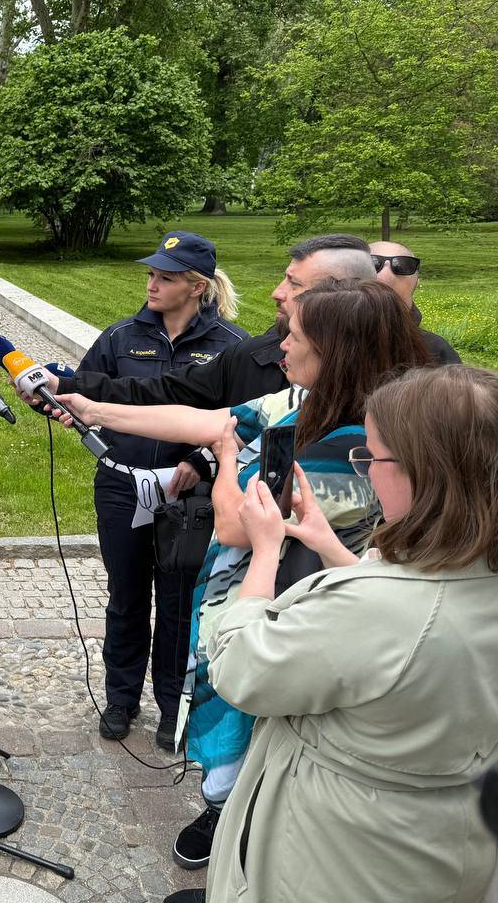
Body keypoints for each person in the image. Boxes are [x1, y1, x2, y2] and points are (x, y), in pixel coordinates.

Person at [52, 280, 436, 878]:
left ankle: (246, 848)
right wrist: (93, 408)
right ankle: (227, 817)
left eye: (295, 336)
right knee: (236, 743)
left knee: (260, 746)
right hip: (248, 602)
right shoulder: (305, 400)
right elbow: (208, 421)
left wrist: (228, 462)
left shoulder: (353, 448)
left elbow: (234, 525)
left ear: (334, 354)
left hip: (292, 622)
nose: (280, 344)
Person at [193, 364, 498, 902]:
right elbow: (408, 633)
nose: (368, 471)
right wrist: (331, 547)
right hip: (444, 838)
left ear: (423, 473)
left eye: (372, 458)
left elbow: (241, 668)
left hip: (339, 852)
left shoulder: (376, 610)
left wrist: (264, 551)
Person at [77, 231, 248, 748]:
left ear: (197, 287)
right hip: (122, 486)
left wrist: (200, 459)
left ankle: (174, 705)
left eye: (165, 278)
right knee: (126, 595)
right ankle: (120, 698)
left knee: (177, 602)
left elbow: (242, 422)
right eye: (151, 274)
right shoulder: (120, 337)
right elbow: (86, 390)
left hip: (191, 497)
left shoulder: (231, 347)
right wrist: (72, 409)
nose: (151, 284)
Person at [41, 235, 458, 424]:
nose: (277, 292)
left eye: (294, 284)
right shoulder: (257, 356)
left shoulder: (427, 366)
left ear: (341, 294)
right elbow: (178, 398)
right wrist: (74, 390)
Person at [370, 239, 460, 363]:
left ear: (416, 283)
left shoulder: (436, 352)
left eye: (402, 266)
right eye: (372, 262)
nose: (386, 275)